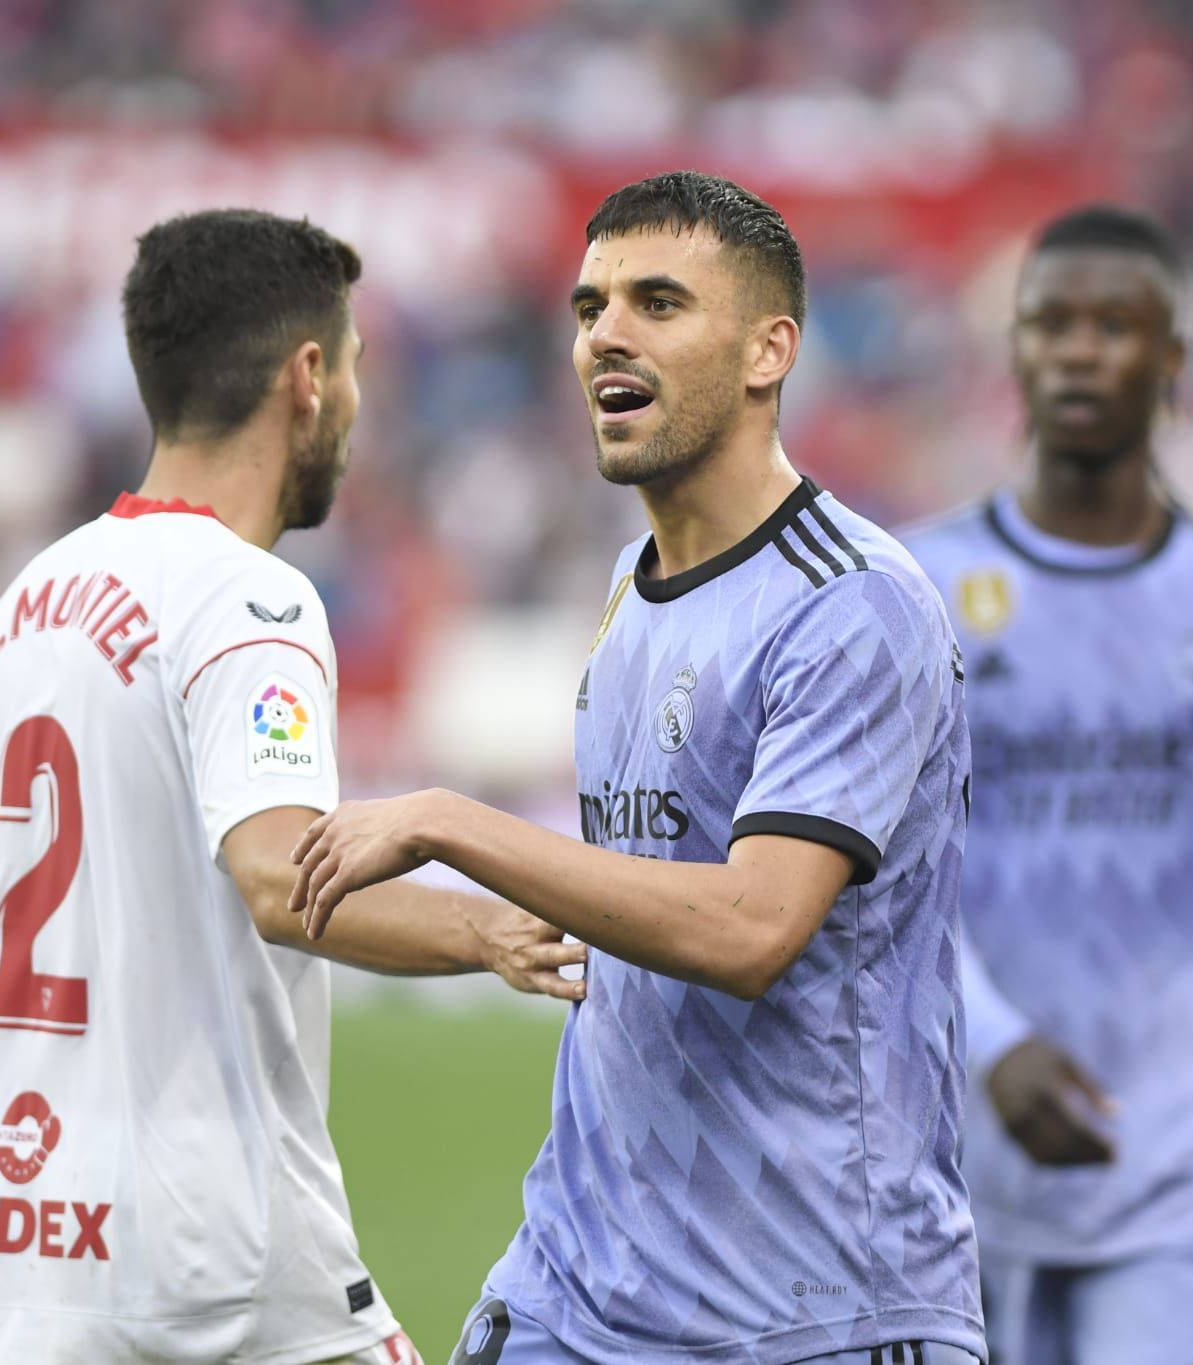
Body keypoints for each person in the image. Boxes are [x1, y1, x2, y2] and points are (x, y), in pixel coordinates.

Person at [290, 171, 984, 1365]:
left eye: (657, 303)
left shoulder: (852, 605)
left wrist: (453, 822)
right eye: (588, 306)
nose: (604, 334)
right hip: (578, 1288)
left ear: (769, 351)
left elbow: (750, 928)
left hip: (811, 1309)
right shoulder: (629, 584)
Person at [0, 208, 583, 1365]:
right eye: (354, 367)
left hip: (18, 1248)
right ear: (306, 376)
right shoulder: (249, 599)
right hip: (216, 1258)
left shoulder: (18, 610)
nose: (357, 404)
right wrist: (490, 931)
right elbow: (282, 878)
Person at [900, 205, 1193, 1365]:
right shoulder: (913, 588)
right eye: (1049, 323)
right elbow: (880, 882)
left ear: (1171, 360)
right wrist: (989, 1043)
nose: (1077, 350)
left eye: (1112, 326)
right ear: (1013, 349)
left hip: (1184, 1170)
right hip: (948, 1167)